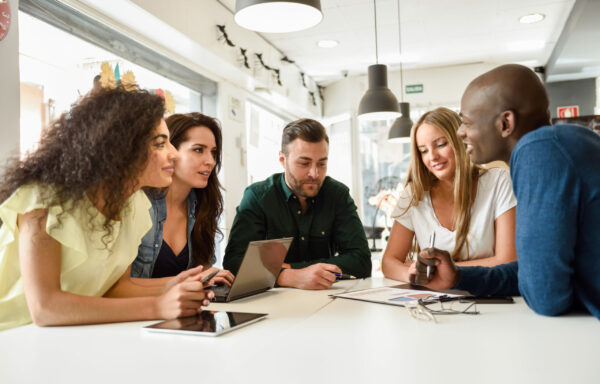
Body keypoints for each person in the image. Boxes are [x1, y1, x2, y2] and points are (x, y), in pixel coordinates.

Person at [0, 88, 213, 331]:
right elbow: (45, 308)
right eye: (160, 144)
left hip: (68, 334)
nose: (173, 154)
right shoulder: (43, 200)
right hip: (11, 335)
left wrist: (180, 284)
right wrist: (158, 306)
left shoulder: (135, 205)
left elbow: (114, 288)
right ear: (121, 149)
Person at [411, 64, 600, 318]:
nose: (460, 132)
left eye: (466, 122)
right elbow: (531, 272)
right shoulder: (567, 141)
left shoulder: (540, 151)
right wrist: (457, 276)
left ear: (505, 123)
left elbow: (546, 297)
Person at [223, 118, 371, 290]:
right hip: (273, 307)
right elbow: (234, 263)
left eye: (322, 163)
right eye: (304, 163)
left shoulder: (337, 195)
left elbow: (361, 261)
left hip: (326, 302)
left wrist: (292, 268)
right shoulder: (258, 197)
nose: (314, 173)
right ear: (282, 159)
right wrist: (288, 277)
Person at [381, 107, 516, 283]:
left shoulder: (498, 182)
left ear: (460, 140)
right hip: (434, 300)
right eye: (424, 150)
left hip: (489, 296)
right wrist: (410, 273)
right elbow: (389, 262)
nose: (432, 157)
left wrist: (442, 270)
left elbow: (508, 261)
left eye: (441, 144)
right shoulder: (414, 194)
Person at [130, 113, 233, 286]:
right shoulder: (138, 203)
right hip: (138, 311)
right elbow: (119, 287)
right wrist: (193, 280)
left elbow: (200, 269)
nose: (210, 161)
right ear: (170, 151)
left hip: (181, 310)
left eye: (213, 152)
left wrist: (210, 275)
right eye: (198, 150)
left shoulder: (202, 204)